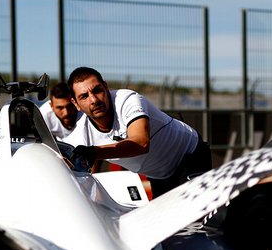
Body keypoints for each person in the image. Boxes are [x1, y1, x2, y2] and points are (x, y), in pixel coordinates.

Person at [64, 66, 211, 197]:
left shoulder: (127, 100)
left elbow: (141, 143)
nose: (94, 100)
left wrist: (94, 153)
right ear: (75, 104)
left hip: (190, 154)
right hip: (160, 175)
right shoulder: (80, 134)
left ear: (106, 87)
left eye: (97, 90)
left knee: (197, 219)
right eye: (84, 96)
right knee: (169, 226)